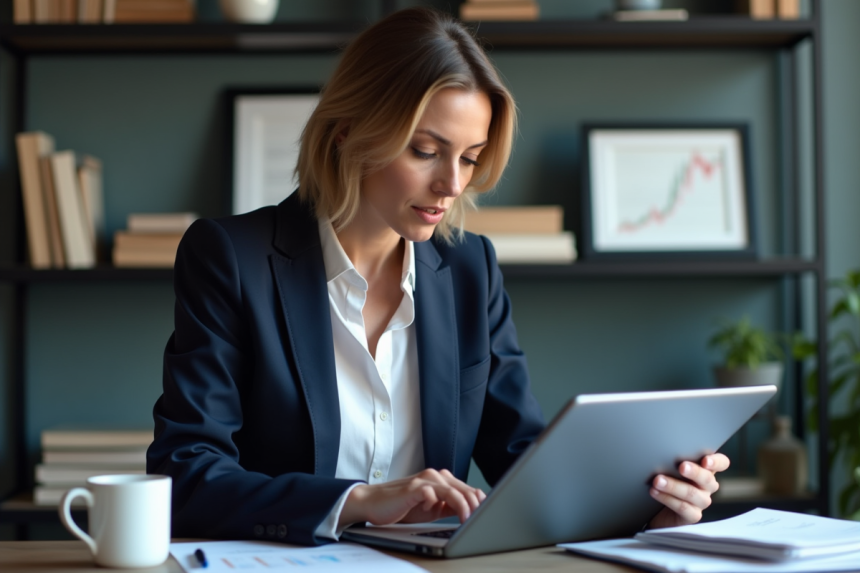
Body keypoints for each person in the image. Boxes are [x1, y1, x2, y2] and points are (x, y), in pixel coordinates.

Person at [146, 6, 729, 546]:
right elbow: (186, 474)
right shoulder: (230, 256)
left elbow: (524, 462)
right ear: (349, 131)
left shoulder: (470, 269)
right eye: (426, 151)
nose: (453, 184)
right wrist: (358, 501)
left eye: (470, 157)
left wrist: (647, 508)